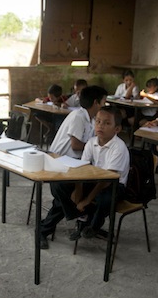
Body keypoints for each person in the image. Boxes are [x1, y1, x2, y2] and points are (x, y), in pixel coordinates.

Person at [39, 105, 130, 249]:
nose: (100, 126)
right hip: (93, 179)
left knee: (103, 199)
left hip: (113, 184)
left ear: (117, 129)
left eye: (107, 123)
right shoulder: (91, 142)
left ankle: (90, 226)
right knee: (59, 185)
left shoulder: (119, 147)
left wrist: (86, 200)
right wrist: (78, 191)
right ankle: (78, 215)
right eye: (98, 121)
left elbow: (107, 180)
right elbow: (83, 169)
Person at [49, 85, 103, 159]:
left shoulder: (92, 119)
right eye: (104, 102)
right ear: (96, 102)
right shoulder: (78, 116)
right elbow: (75, 145)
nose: (104, 106)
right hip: (60, 158)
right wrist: (96, 147)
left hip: (72, 159)